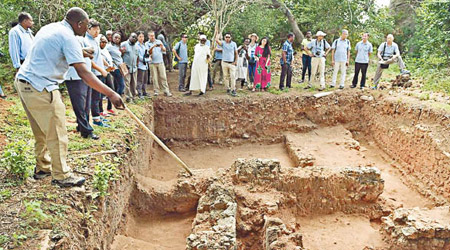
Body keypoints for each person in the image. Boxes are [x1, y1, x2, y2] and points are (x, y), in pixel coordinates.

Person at [15, 7, 124, 187]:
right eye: (86, 25)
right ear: (79, 24)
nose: (87, 29)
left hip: (24, 83)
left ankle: (43, 168)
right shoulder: (69, 38)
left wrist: (80, 52)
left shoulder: (51, 28)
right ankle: (61, 175)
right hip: (41, 87)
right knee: (57, 132)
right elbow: (85, 74)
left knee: (41, 131)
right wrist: (111, 94)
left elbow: (53, 50)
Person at [64, 36, 98, 140]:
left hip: (85, 75)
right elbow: (74, 53)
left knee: (86, 104)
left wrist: (83, 51)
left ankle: (82, 126)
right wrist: (83, 51)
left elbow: (92, 51)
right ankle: (86, 131)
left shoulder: (84, 38)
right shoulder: (69, 38)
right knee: (79, 105)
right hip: (74, 76)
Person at [85, 19, 110, 127]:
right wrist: (101, 70)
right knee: (94, 97)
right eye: (95, 29)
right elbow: (90, 61)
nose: (97, 32)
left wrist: (106, 65)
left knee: (98, 97)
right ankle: (96, 119)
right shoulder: (86, 41)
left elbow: (99, 56)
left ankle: (98, 116)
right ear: (88, 29)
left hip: (99, 72)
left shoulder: (96, 40)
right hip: (94, 73)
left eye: (98, 29)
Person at [146, 31, 172, 96]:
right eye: (151, 36)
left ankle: (166, 91)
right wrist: (153, 47)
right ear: (148, 36)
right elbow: (148, 52)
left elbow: (164, 50)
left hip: (160, 62)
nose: (152, 37)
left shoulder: (159, 41)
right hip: (152, 63)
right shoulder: (147, 43)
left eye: (153, 35)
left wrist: (162, 47)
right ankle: (156, 91)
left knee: (163, 76)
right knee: (154, 78)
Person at [215, 33, 238, 97]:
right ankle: (228, 88)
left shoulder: (234, 44)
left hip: (231, 63)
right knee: (225, 76)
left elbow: (236, 53)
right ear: (224, 38)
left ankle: (233, 89)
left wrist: (236, 61)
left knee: (233, 76)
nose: (227, 38)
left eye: (228, 37)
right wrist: (218, 34)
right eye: (226, 37)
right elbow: (217, 41)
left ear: (231, 38)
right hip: (224, 62)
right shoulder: (223, 43)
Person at [99, 35, 116, 114]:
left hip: (108, 72)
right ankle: (100, 111)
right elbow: (101, 60)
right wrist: (107, 66)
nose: (104, 44)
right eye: (102, 42)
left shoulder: (105, 50)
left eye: (105, 42)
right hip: (100, 72)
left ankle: (109, 107)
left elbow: (109, 60)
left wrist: (111, 66)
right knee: (100, 92)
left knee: (111, 89)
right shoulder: (97, 50)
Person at [121, 33, 139, 102]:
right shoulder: (124, 44)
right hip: (126, 67)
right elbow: (120, 55)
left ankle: (133, 96)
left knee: (134, 83)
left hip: (134, 68)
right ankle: (128, 97)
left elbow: (137, 56)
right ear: (129, 37)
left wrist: (136, 65)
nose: (134, 38)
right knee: (127, 83)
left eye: (135, 37)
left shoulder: (137, 46)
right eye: (133, 37)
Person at [136, 31, 149, 98]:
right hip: (140, 65)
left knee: (145, 79)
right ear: (137, 37)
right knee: (140, 80)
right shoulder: (136, 45)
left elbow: (146, 54)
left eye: (142, 37)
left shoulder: (144, 45)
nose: (141, 38)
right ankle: (139, 93)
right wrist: (147, 60)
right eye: (140, 37)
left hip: (145, 65)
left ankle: (144, 92)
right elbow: (138, 56)